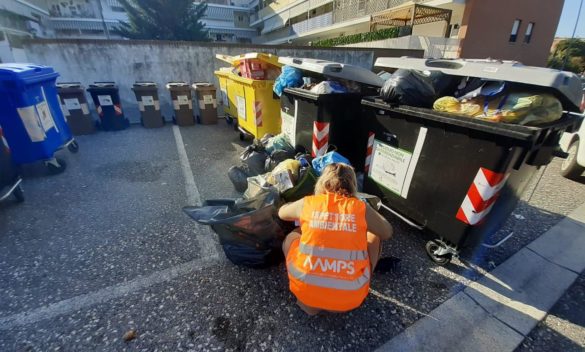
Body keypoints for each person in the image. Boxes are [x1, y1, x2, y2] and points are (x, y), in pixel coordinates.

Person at [278, 163, 393, 315]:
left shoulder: (309, 203)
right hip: (351, 297)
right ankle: (349, 289)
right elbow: (387, 232)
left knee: (293, 236)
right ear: (352, 185)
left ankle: (309, 304)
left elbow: (282, 213)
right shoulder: (359, 207)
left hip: (306, 294)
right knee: (374, 235)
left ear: (322, 182)